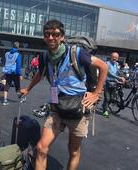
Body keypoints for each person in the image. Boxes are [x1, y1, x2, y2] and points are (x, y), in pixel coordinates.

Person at [20, 19, 108, 170]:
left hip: (78, 108)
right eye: (47, 34)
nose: (51, 37)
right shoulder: (44, 57)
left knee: (73, 150)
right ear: (44, 37)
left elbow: (103, 66)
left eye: (55, 34)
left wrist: (95, 93)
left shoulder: (76, 53)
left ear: (62, 37)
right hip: (56, 108)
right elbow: (39, 74)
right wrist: (27, 88)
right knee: (41, 148)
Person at [102, 52, 126, 118]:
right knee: (107, 98)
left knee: (112, 98)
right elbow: (109, 73)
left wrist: (123, 77)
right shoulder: (107, 64)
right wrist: (119, 78)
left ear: (118, 58)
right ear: (111, 57)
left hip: (114, 82)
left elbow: (118, 72)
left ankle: (104, 106)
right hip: (107, 82)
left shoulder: (116, 64)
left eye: (116, 58)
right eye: (113, 57)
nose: (114, 59)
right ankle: (105, 112)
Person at [2, 41, 22, 106]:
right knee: (17, 86)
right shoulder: (17, 54)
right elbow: (18, 66)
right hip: (14, 72)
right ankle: (20, 98)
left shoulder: (6, 53)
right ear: (18, 47)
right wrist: (20, 74)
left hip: (7, 72)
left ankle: (5, 100)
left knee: (7, 85)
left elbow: (5, 62)